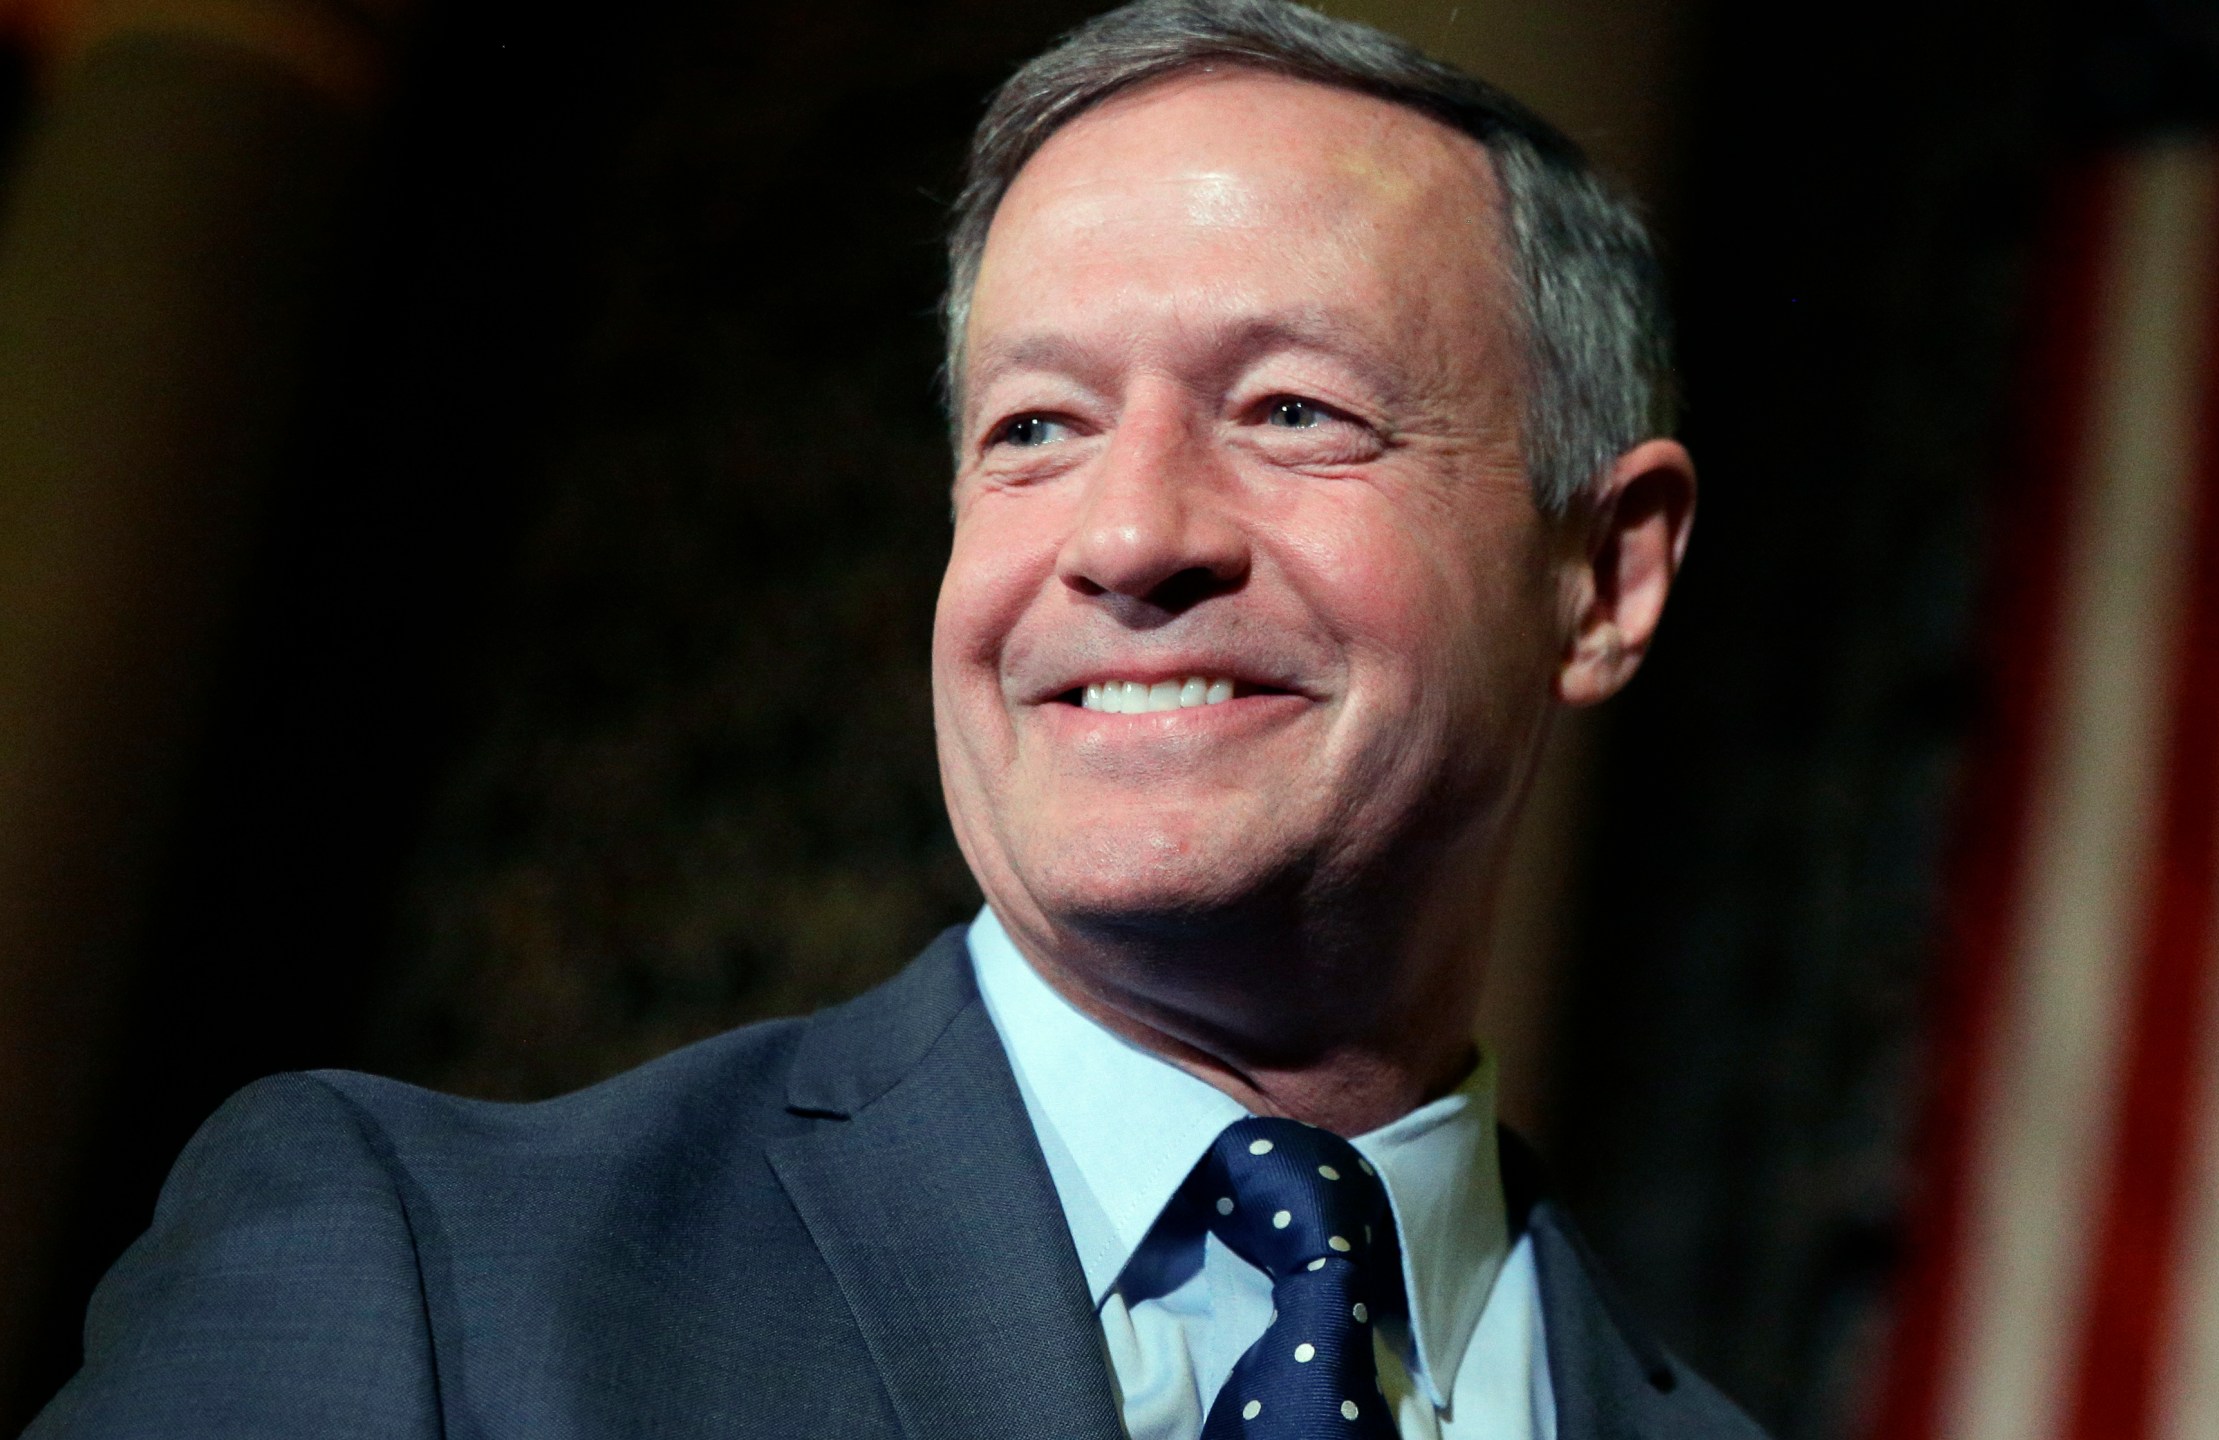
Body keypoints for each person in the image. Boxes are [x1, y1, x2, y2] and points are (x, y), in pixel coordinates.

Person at [27, 2, 1757, 1436]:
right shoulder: (420, 1275)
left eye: (1293, 409)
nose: (1129, 534)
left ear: (1603, 575)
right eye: (1035, 428)